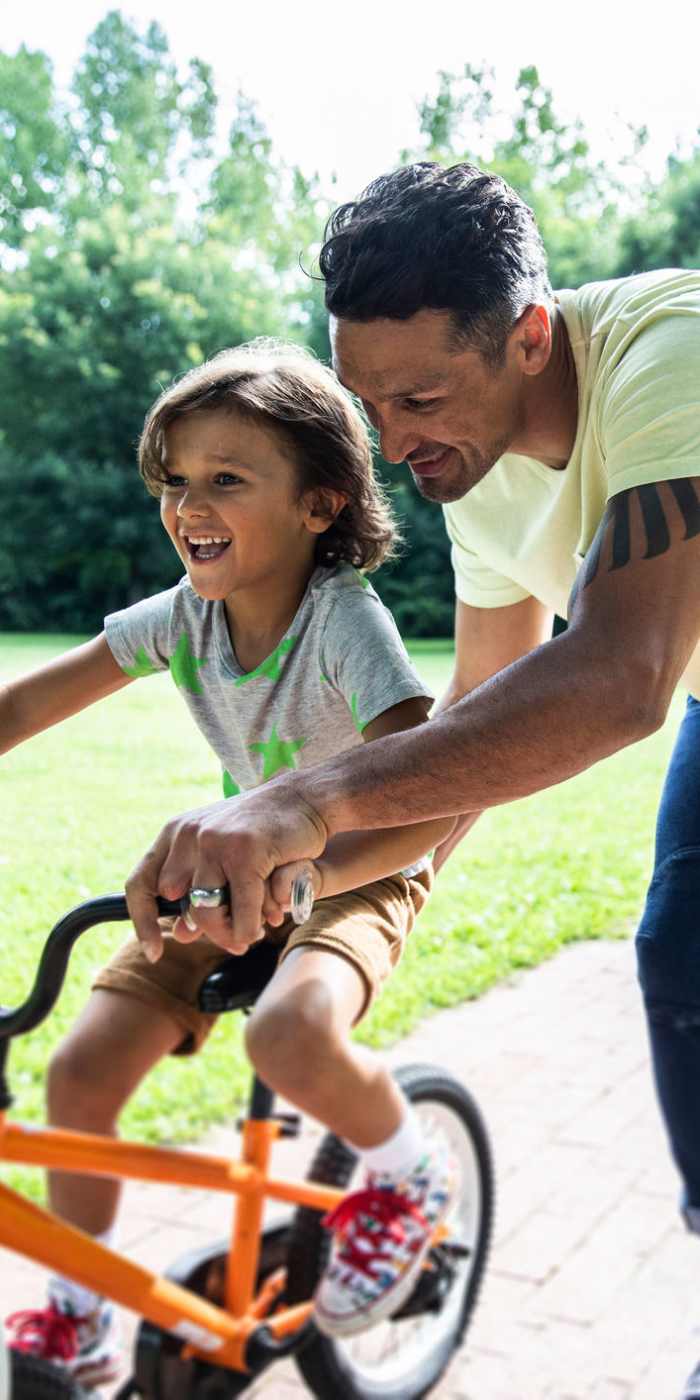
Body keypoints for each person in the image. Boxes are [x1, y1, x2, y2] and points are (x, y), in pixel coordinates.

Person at [124, 164, 700, 1398]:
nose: (393, 443)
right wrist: (316, 891)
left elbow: (618, 676)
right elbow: (481, 729)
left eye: (421, 396)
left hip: (671, 677)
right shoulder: (471, 467)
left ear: (530, 336)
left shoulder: (675, 353)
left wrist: (299, 800)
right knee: (684, 960)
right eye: (370, 401)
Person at [1, 339, 458, 1385]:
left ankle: (406, 1170)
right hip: (233, 869)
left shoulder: (343, 620)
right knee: (78, 1073)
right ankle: (80, 1315)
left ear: (319, 505)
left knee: (289, 1034)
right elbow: (23, 705)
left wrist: (316, 874)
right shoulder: (185, 614)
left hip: (360, 867)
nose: (187, 505)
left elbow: (425, 793)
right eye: (175, 480)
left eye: (225, 480)